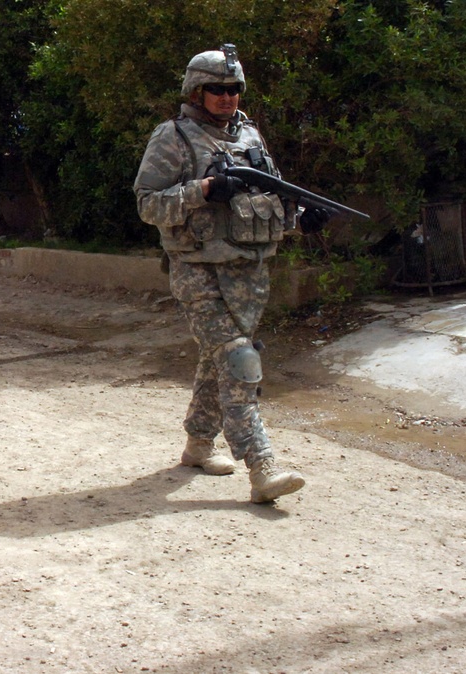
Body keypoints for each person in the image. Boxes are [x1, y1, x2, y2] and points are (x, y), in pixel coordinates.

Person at [133, 44, 327, 504]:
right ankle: (263, 467)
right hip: (197, 272)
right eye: (216, 89)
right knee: (240, 359)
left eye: (233, 88)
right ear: (195, 92)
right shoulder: (173, 137)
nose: (226, 97)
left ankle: (199, 445)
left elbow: (269, 199)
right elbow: (147, 205)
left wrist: (302, 218)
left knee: (216, 359)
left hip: (249, 276)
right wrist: (202, 189)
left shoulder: (250, 136)